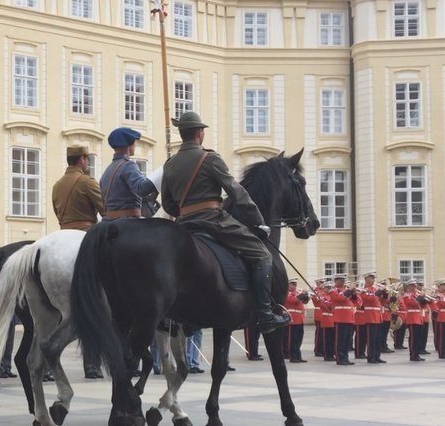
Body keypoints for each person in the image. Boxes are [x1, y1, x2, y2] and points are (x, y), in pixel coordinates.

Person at [158, 111, 289, 333]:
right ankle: (266, 314)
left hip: (184, 224)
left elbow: (169, 205)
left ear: (182, 134)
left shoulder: (169, 164)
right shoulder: (209, 159)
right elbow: (236, 192)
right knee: (262, 255)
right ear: (200, 133)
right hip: (213, 220)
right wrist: (258, 221)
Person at [100, 127, 159, 219]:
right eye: (134, 143)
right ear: (129, 146)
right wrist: (159, 177)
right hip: (127, 221)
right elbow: (141, 189)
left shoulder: (108, 169)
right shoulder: (128, 165)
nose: (135, 145)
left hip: (109, 220)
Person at [52, 145, 104, 230]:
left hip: (63, 231)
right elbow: (104, 209)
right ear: (82, 159)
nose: (88, 162)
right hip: (85, 231)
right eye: (87, 159)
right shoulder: (87, 181)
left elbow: (57, 212)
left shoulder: (57, 185)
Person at [329, 274, 360, 365]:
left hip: (349, 318)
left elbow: (356, 303)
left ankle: (345, 358)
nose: (342, 282)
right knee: (340, 340)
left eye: (343, 280)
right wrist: (350, 291)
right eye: (340, 280)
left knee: (347, 340)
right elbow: (341, 298)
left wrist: (354, 293)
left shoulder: (346, 290)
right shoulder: (333, 291)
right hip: (340, 318)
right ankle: (340, 358)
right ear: (336, 281)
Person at [359, 272, 386, 363]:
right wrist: (378, 293)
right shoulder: (364, 289)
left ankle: (377, 356)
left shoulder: (374, 288)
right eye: (372, 278)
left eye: (374, 278)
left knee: (378, 338)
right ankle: (371, 357)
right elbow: (368, 299)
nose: (374, 280)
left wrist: (385, 294)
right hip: (370, 315)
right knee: (371, 338)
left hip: (378, 315)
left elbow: (381, 301)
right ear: (366, 279)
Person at [283, 278, 309, 363]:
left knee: (298, 339)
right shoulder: (286, 293)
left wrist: (306, 295)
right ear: (288, 285)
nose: (295, 286)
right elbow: (293, 300)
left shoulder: (297, 293)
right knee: (292, 339)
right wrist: (302, 294)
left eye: (295, 284)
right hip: (292, 319)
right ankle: (293, 356)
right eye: (293, 284)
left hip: (300, 319)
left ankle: (298, 356)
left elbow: (305, 302)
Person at [400, 279, 425, 362]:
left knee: (418, 337)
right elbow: (413, 303)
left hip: (418, 317)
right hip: (412, 317)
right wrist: (420, 297)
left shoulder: (416, 294)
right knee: (413, 338)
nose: (415, 287)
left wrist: (424, 299)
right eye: (413, 285)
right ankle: (413, 355)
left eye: (415, 285)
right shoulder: (407, 295)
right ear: (408, 286)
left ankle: (417, 353)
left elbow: (423, 305)